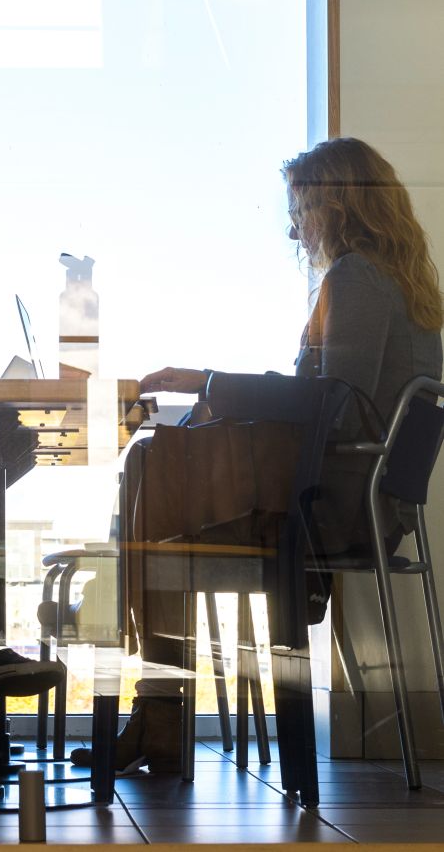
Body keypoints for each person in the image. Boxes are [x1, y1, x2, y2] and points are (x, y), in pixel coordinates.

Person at [72, 136, 444, 776]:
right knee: (158, 479)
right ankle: (154, 702)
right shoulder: (402, 286)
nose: (296, 231)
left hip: (331, 506)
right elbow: (332, 401)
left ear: (334, 206)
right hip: (371, 504)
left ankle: (152, 700)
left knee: (151, 474)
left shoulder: (354, 276)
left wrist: (210, 384)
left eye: (300, 211)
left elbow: (337, 403)